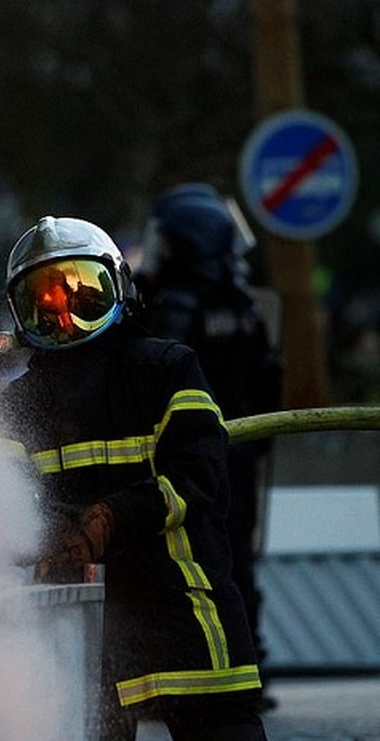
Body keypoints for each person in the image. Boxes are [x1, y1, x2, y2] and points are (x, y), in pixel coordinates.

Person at [0, 216, 268, 740]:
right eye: (44, 302)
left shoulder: (165, 369)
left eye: (82, 293)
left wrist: (110, 519)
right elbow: (2, 503)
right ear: (20, 313)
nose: (65, 314)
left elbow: (198, 477)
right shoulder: (15, 407)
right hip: (85, 639)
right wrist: (50, 533)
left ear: (119, 288)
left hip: (184, 619)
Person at [135, 183, 283, 707]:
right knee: (236, 562)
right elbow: (271, 377)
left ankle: (182, 677)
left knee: (187, 565)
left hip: (189, 461)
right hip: (238, 459)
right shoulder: (242, 304)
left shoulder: (174, 306)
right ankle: (248, 667)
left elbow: (149, 381)